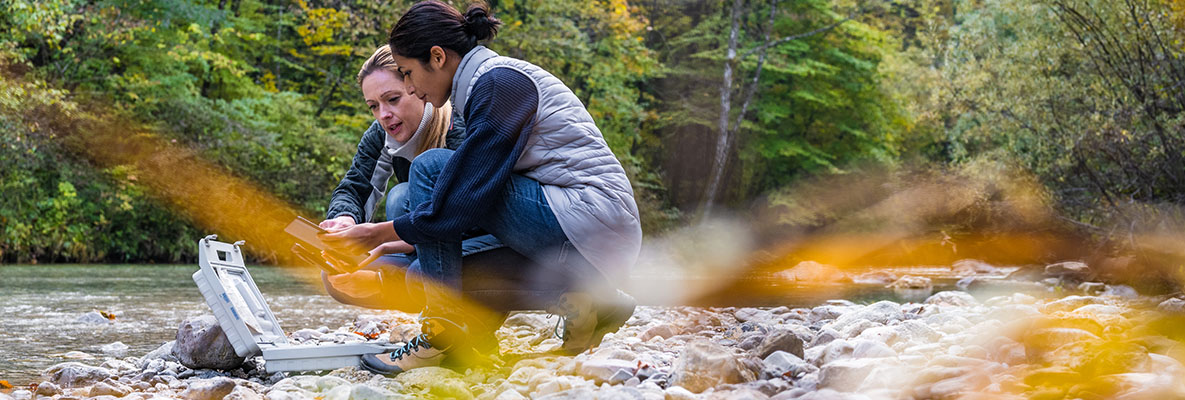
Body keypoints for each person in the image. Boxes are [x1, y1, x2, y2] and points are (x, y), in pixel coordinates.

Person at [322, 1, 642, 375]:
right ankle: (598, 305)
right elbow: (449, 205)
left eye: (407, 75)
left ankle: (442, 332)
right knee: (415, 270)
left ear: (438, 57)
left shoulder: (498, 82)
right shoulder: (481, 86)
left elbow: (464, 198)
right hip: (569, 231)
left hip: (587, 222)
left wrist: (380, 233)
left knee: (428, 170)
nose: (409, 86)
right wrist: (385, 238)